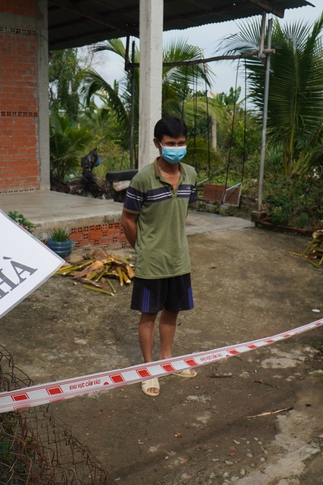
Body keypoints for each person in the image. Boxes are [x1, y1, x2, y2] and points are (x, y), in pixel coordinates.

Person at [120, 115, 198, 397]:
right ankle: (149, 368)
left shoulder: (190, 175)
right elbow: (128, 219)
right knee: (148, 315)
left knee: (172, 311)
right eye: (170, 143)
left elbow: (183, 211)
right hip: (151, 262)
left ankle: (166, 360)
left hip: (179, 259)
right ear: (157, 144)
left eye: (181, 143)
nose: (176, 148)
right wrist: (142, 248)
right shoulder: (143, 178)